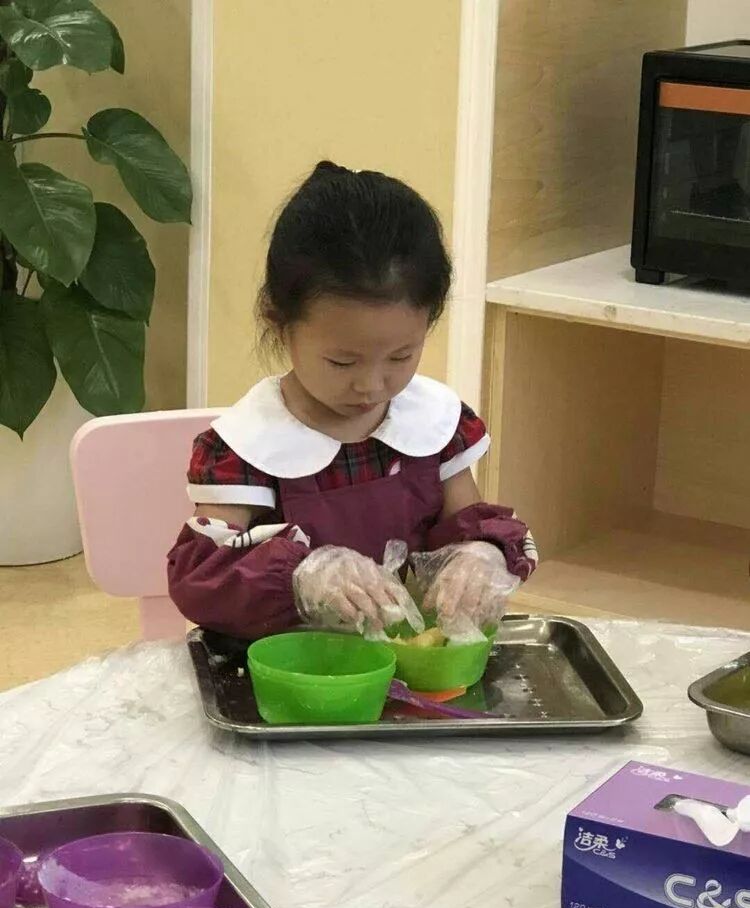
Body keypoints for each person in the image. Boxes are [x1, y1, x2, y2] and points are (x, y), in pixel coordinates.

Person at [167, 161, 537, 641]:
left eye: (401, 356)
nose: (372, 385)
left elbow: (466, 525)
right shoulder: (246, 449)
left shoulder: (434, 426)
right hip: (293, 667)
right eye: (342, 362)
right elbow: (202, 581)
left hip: (409, 661)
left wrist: (479, 556)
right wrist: (303, 576)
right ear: (279, 323)